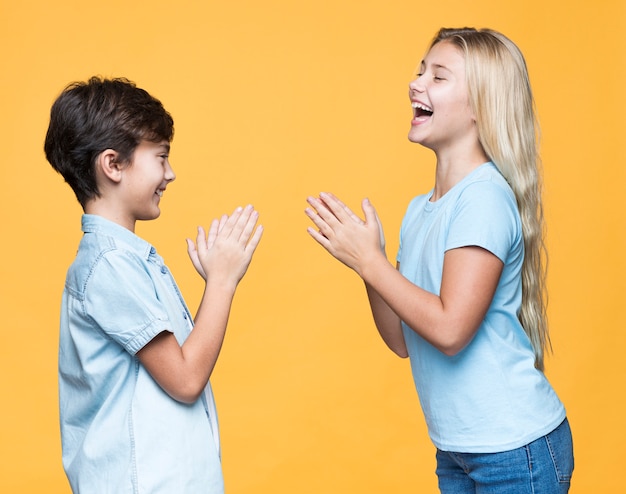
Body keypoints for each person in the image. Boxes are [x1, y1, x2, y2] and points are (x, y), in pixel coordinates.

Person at [305, 27, 573, 492]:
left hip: (513, 452)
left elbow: (450, 331)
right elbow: (403, 340)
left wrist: (372, 263)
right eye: (419, 71)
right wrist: (372, 266)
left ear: (480, 108)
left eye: (438, 76)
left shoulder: (484, 199)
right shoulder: (420, 210)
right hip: (457, 451)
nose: (416, 83)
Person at [44, 76, 263, 493]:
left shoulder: (124, 260)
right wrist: (222, 281)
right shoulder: (109, 266)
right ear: (113, 165)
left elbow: (177, 364)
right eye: (161, 157)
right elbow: (185, 380)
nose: (171, 173)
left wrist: (217, 280)